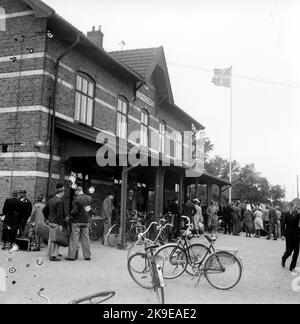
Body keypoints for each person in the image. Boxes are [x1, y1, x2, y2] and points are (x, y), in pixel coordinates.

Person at [66, 187, 93, 261]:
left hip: (77, 221)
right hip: (85, 221)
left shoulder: (76, 199)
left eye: (75, 193)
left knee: (74, 238)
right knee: (86, 238)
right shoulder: (89, 198)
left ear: (77, 191)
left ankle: (71, 256)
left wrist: (70, 215)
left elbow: (75, 211)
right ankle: (87, 256)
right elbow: (89, 209)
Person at [42, 187, 66, 261]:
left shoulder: (50, 200)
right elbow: (59, 214)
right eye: (63, 193)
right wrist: (61, 224)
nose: (63, 195)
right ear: (61, 193)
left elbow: (44, 210)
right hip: (56, 222)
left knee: (50, 238)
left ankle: (50, 253)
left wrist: (47, 218)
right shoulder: (59, 201)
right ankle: (53, 256)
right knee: (55, 239)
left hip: (51, 221)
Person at [281, 204, 300, 272]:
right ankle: (284, 258)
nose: (296, 209)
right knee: (289, 251)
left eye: (297, 208)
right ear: (291, 207)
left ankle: (292, 266)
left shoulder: (298, 215)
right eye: (295, 207)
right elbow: (282, 225)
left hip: (297, 236)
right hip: (289, 235)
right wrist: (282, 235)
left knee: (296, 252)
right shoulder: (286, 214)